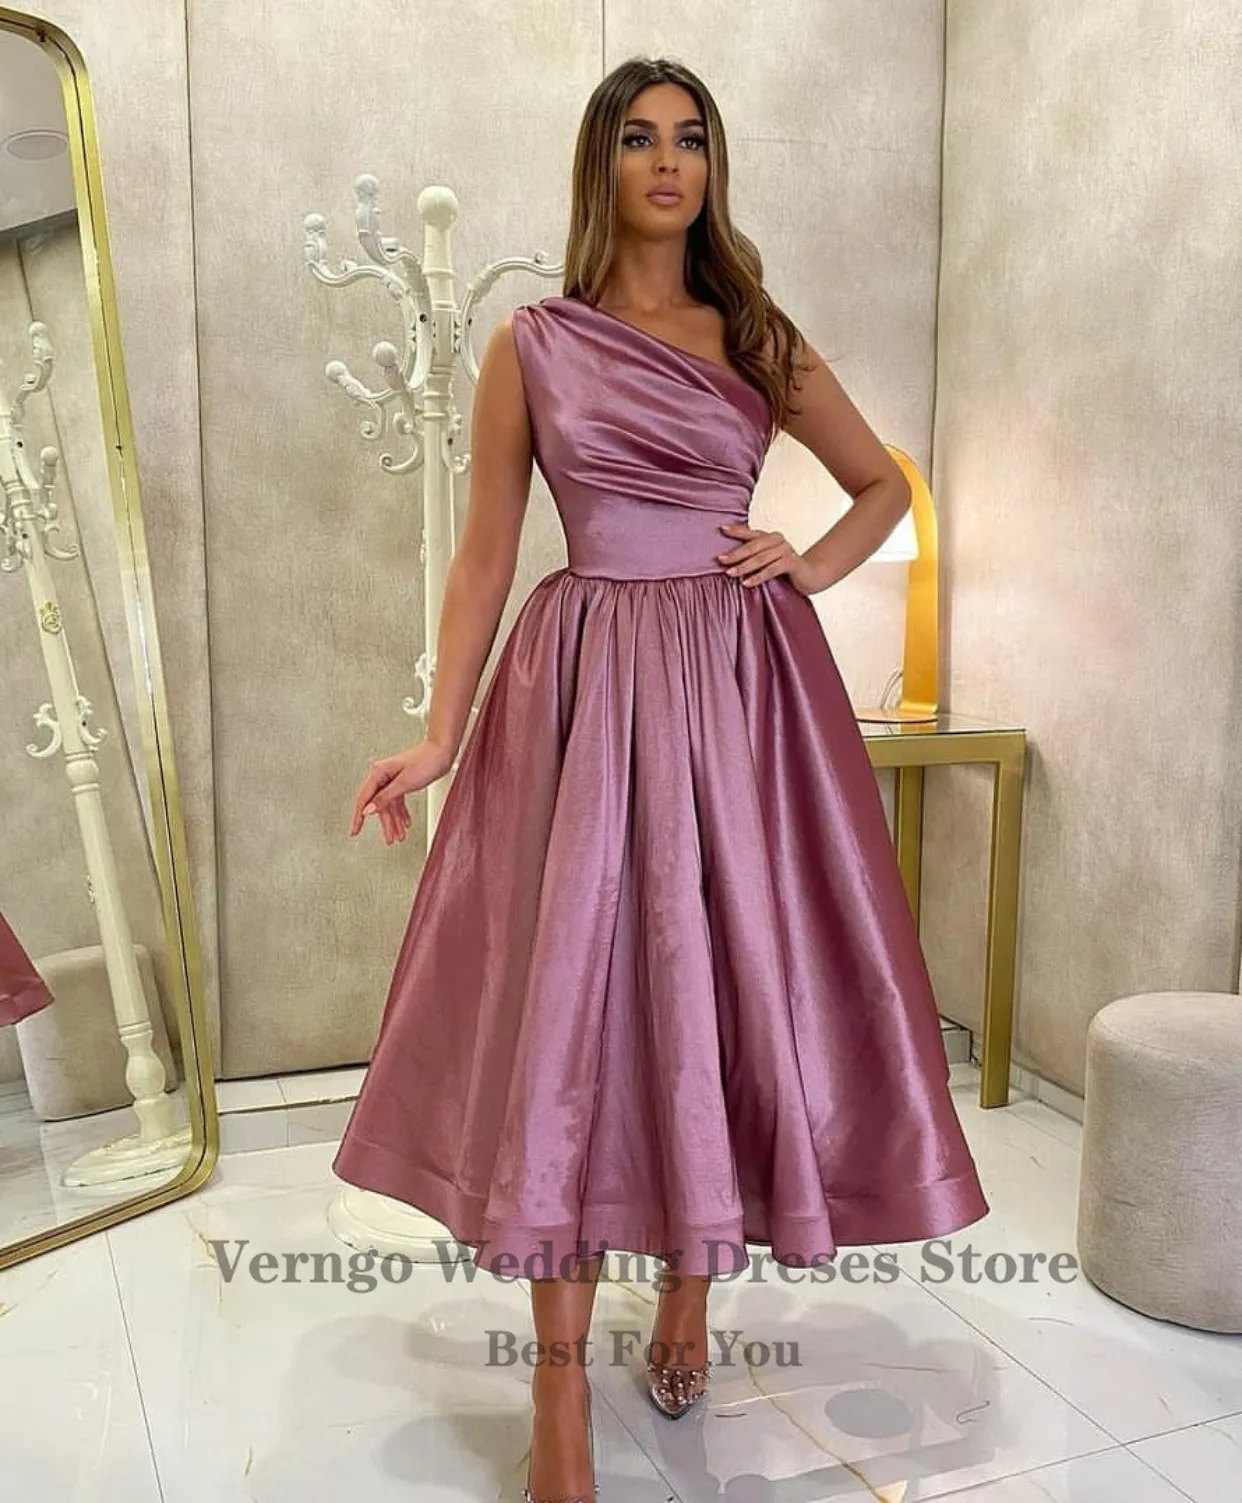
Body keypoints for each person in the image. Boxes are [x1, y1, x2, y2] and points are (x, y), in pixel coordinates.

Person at [332, 55, 988, 1503]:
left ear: (712, 165)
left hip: (742, 695)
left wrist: (804, 566)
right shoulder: (534, 343)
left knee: (725, 992)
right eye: (639, 138)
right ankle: (557, 1396)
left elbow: (882, 483)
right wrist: (437, 732)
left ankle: (689, 1297)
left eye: (690, 138)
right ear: (603, 164)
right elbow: (486, 554)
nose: (669, 160)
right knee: (567, 1024)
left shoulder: (752, 332)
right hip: (580, 692)